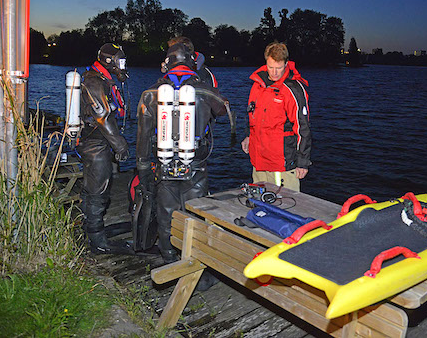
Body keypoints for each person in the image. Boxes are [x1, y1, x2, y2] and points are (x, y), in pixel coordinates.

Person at [135, 41, 228, 263]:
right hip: (195, 162)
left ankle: (169, 258)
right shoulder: (204, 89)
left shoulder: (150, 93)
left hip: (164, 162)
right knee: (196, 215)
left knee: (166, 214)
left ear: (168, 63)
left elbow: (143, 135)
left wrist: (143, 166)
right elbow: (224, 109)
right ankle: (195, 264)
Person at [78, 43, 132, 254]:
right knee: (98, 191)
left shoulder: (102, 80)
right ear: (108, 61)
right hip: (95, 144)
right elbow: (103, 116)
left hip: (98, 142)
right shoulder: (94, 81)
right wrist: (120, 144)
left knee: (94, 188)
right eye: (120, 61)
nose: (123, 66)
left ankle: (91, 230)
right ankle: (98, 241)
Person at [241, 42, 311, 191]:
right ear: (266, 62)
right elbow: (252, 114)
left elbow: (303, 128)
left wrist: (302, 162)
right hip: (258, 160)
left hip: (281, 163)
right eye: (271, 67)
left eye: (279, 68)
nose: (274, 72)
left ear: (286, 64)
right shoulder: (257, 84)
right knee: (260, 202)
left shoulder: (293, 89)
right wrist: (248, 136)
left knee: (286, 206)